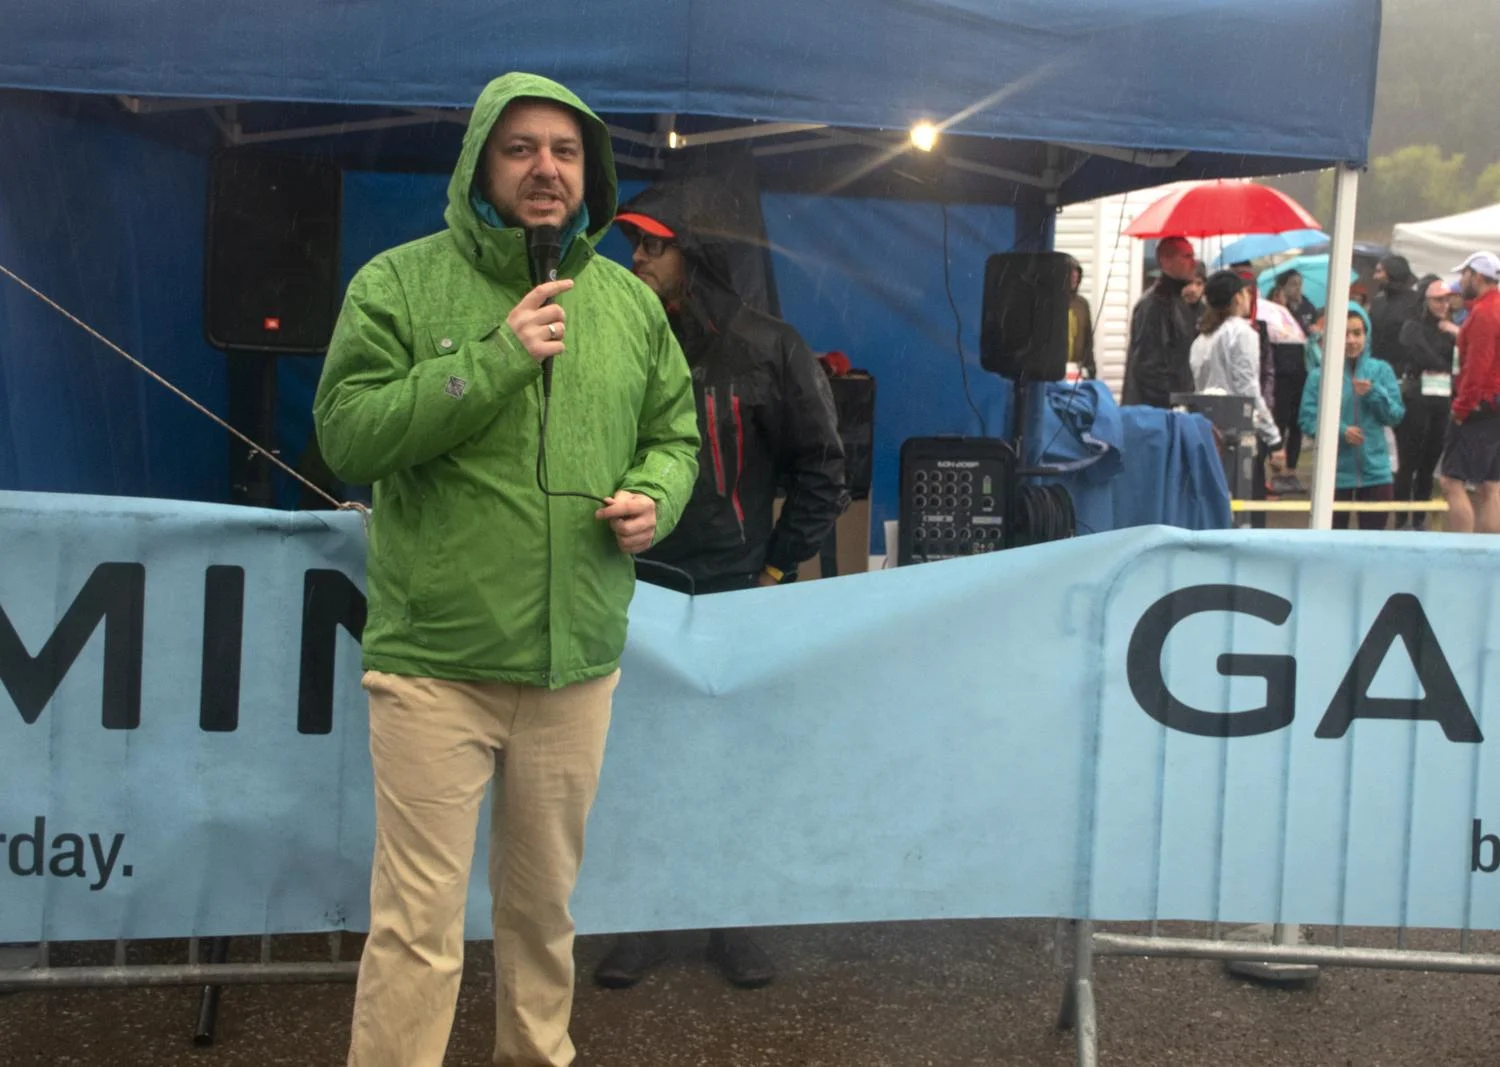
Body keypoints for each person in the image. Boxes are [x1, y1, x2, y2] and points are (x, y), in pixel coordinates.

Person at [312, 72, 701, 1067]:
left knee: (542, 913)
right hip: (435, 665)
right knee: (417, 926)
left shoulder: (629, 302)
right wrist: (493, 357)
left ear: (590, 172)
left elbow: (675, 434)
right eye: (520, 148)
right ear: (480, 163)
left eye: (565, 152)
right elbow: (346, 433)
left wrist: (654, 494)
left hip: (576, 665)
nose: (545, 169)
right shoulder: (399, 283)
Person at [592, 181, 848, 991]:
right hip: (637, 587)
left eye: (653, 245)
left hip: (735, 588)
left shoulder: (770, 346)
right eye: (634, 244)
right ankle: (644, 919)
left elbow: (823, 467)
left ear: (694, 254)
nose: (636, 258)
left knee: (734, 764)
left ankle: (731, 918)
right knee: (639, 758)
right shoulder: (620, 337)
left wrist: (774, 568)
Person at [1299, 304, 1405, 530]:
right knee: (1332, 543)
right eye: (1344, 333)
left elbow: (1395, 416)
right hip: (1333, 473)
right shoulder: (1319, 376)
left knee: (1373, 541)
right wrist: (1340, 431)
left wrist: (1374, 393)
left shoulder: (1381, 370)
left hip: (1376, 472)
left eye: (1357, 333)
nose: (1351, 340)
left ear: (1367, 335)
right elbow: (1307, 419)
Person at [1190, 270, 1286, 480]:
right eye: (1246, 292)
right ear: (1237, 298)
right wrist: (1274, 439)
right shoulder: (1241, 333)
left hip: (1206, 431)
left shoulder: (1201, 339)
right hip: (1235, 434)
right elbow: (1248, 390)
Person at [1438, 251, 1500, 533]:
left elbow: (1477, 367)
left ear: (1476, 276)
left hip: (1481, 404)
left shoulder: (1484, 313)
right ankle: (1492, 553)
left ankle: (1464, 550)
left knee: (1451, 481)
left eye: (1464, 274)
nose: (1460, 281)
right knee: (1491, 484)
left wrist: (1461, 408)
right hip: (1495, 405)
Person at [1392, 277, 1460, 529]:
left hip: (1441, 400)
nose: (1444, 305)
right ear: (1425, 300)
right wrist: (1446, 366)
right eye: (1438, 300)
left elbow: (1461, 362)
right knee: (1408, 462)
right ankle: (1401, 519)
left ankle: (1419, 519)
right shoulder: (1412, 327)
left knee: (1429, 463)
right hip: (1416, 398)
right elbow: (1424, 356)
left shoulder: (1451, 330)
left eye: (1447, 299)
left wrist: (1458, 333)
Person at [1122, 236, 1199, 407]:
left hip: (1171, 407)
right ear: (1166, 262)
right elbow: (1149, 368)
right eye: (1187, 257)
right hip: (1154, 412)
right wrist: (1174, 404)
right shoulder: (1154, 305)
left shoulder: (1178, 303)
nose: (1194, 263)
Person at [1266, 269, 1314, 479]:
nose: (1297, 289)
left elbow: (1310, 330)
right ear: (1282, 286)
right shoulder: (1273, 309)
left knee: (1297, 421)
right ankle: (1276, 467)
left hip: (1302, 371)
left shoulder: (1307, 307)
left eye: (1299, 284)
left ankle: (1292, 468)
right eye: (1293, 284)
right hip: (1280, 372)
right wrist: (1282, 309)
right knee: (1280, 419)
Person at [1369, 254, 1422, 367]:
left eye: (1379, 271)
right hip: (1377, 368)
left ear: (1392, 272)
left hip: (1405, 369)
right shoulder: (1378, 301)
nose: (1375, 277)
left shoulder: (1417, 302)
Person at [1064, 254, 1096, 378]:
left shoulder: (1082, 305)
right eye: (1071, 274)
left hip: (1077, 370)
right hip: (1057, 371)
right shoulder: (1052, 304)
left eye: (1077, 275)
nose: (1074, 278)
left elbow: (1088, 341)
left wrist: (1090, 369)